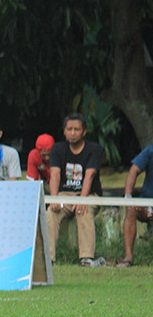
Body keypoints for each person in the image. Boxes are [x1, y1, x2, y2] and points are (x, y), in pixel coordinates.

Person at [46, 113, 104, 266]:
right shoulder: (57, 149)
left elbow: (90, 176)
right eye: (69, 129)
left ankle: (86, 258)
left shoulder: (94, 149)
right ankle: (48, 258)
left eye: (76, 129)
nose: (72, 133)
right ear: (64, 131)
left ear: (84, 131)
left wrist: (82, 200)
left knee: (82, 211)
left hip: (89, 194)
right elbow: (55, 174)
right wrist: (54, 199)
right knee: (51, 213)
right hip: (64, 194)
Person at [114, 143, 153, 267]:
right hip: (146, 202)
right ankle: (128, 257)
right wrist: (128, 197)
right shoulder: (150, 150)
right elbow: (134, 170)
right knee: (131, 209)